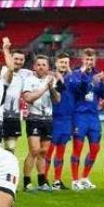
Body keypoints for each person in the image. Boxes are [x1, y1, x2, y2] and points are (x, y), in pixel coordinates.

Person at [70, 48, 104, 190]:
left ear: (95, 60)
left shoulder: (98, 76)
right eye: (87, 59)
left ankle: (85, 177)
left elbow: (103, 94)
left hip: (93, 116)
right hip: (79, 116)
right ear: (82, 60)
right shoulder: (75, 74)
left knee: (95, 148)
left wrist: (102, 82)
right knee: (77, 148)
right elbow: (77, 89)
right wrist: (91, 79)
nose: (89, 62)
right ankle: (75, 180)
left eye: (91, 60)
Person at [21, 55, 59, 191]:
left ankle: (42, 182)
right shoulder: (29, 80)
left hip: (47, 119)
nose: (41, 67)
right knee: (34, 150)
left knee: (44, 152)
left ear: (48, 67)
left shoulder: (51, 80)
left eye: (44, 65)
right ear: (34, 67)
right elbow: (28, 98)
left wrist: (52, 88)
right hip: (34, 118)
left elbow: (57, 100)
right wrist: (45, 87)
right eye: (39, 65)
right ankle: (27, 182)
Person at [47, 53, 76, 190]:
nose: (63, 65)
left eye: (66, 62)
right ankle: (44, 179)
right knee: (48, 150)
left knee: (61, 151)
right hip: (55, 118)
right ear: (56, 63)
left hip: (68, 119)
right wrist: (59, 79)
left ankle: (57, 180)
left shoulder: (71, 79)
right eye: (61, 62)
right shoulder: (51, 78)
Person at [1, 37, 32, 154]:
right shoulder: (2, 71)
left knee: (10, 147)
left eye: (21, 59)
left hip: (14, 117)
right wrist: (5, 49)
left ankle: (9, 171)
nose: (18, 61)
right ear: (10, 59)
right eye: (16, 59)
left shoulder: (26, 74)